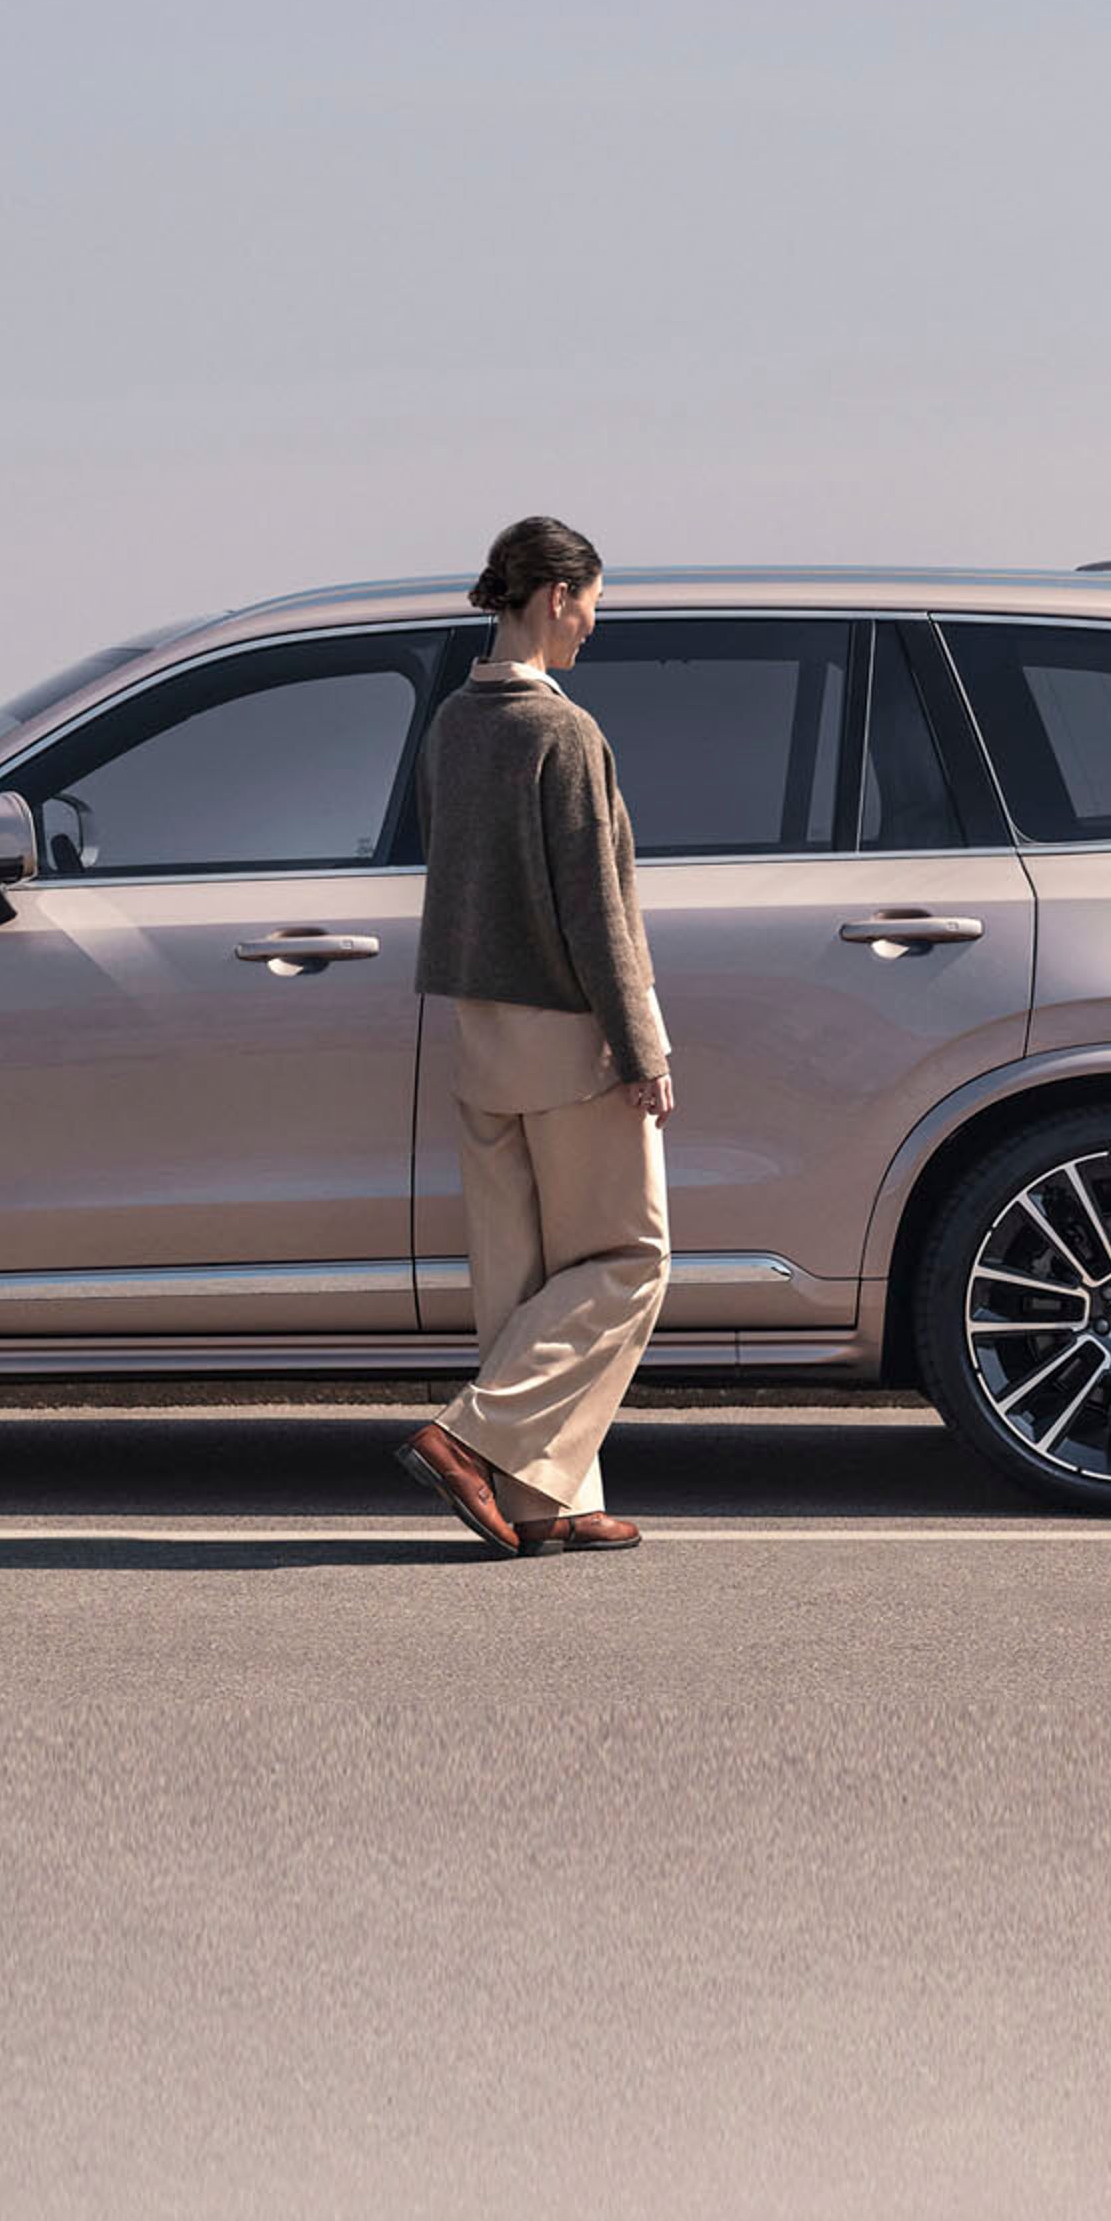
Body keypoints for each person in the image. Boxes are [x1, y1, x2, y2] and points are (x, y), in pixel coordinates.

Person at [398, 516, 674, 1560]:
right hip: (568, 1035)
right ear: (555, 597)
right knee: (627, 1261)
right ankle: (466, 1437)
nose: (595, 626)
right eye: (593, 602)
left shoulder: (450, 727)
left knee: (522, 1277)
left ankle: (542, 1502)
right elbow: (598, 910)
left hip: (478, 1034)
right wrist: (642, 1049)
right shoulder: (565, 734)